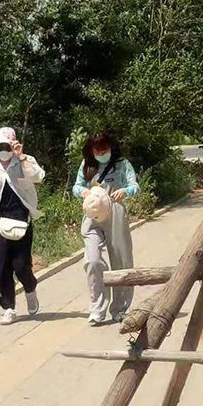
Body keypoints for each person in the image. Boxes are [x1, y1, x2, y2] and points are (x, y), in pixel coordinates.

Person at [0, 127, 45, 325]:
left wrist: (21, 157)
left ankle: (30, 287)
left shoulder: (24, 161)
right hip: (0, 219)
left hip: (22, 219)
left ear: (14, 145)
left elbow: (38, 177)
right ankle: (8, 307)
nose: (3, 150)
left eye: (7, 146)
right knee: (2, 266)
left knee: (21, 265)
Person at [72, 130, 141, 326]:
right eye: (98, 151)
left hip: (115, 212)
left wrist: (126, 190)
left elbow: (135, 186)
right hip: (92, 215)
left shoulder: (122, 164)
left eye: (105, 150)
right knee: (92, 261)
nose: (102, 153)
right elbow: (76, 186)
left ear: (111, 147)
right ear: (91, 150)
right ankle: (97, 308)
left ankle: (120, 308)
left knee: (121, 260)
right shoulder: (87, 165)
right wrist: (83, 192)